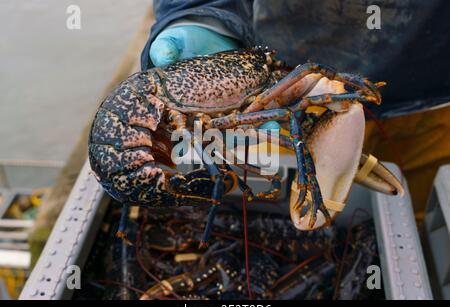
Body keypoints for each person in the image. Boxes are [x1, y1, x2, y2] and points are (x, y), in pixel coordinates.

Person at [141, 0, 450, 220]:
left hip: (433, 96)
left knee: (412, 215)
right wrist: (196, 14)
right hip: (288, 94)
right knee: (256, 200)